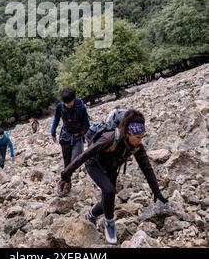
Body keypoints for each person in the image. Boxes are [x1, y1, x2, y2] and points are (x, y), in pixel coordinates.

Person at [58, 108, 168, 245]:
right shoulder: (110, 138)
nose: (140, 141)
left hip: (111, 167)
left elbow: (146, 167)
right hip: (94, 165)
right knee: (109, 191)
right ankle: (109, 224)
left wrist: (156, 190)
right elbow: (84, 156)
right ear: (128, 133)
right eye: (138, 137)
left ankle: (91, 214)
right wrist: (66, 174)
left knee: (108, 200)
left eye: (142, 137)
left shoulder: (137, 146)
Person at [51, 86, 90, 196]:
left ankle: (62, 180)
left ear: (74, 99)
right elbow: (56, 119)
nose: (67, 105)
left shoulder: (81, 108)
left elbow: (87, 126)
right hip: (66, 137)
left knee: (74, 162)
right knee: (67, 162)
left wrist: (87, 138)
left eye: (69, 103)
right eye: (65, 103)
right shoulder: (60, 106)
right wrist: (53, 131)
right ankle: (67, 182)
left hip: (78, 136)